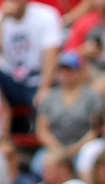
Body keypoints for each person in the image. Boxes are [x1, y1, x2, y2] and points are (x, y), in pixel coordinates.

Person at [0, 0, 61, 135]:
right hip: (11, 80)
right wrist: (3, 19)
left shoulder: (46, 15)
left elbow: (51, 56)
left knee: (45, 102)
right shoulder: (2, 18)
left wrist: (44, 88)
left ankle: (38, 133)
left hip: (37, 80)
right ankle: (3, 137)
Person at [35, 51, 105, 161]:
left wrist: (75, 149)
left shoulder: (92, 96)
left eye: (69, 70)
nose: (65, 73)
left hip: (83, 147)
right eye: (61, 70)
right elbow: (42, 130)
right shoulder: (49, 97)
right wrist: (58, 149)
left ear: (79, 71)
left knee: (88, 160)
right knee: (39, 164)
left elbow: (95, 129)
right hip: (54, 148)